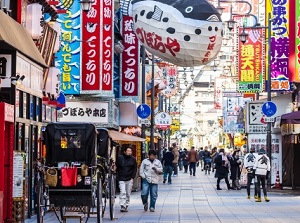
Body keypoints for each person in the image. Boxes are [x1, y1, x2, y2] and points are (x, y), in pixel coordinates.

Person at [116, 146, 137, 212]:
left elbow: (135, 168)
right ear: (124, 151)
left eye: (130, 151)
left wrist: (132, 177)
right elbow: (117, 166)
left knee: (128, 193)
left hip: (129, 178)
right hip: (121, 177)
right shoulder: (120, 158)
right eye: (128, 151)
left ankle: (126, 204)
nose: (129, 152)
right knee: (123, 192)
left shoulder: (133, 159)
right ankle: (122, 205)